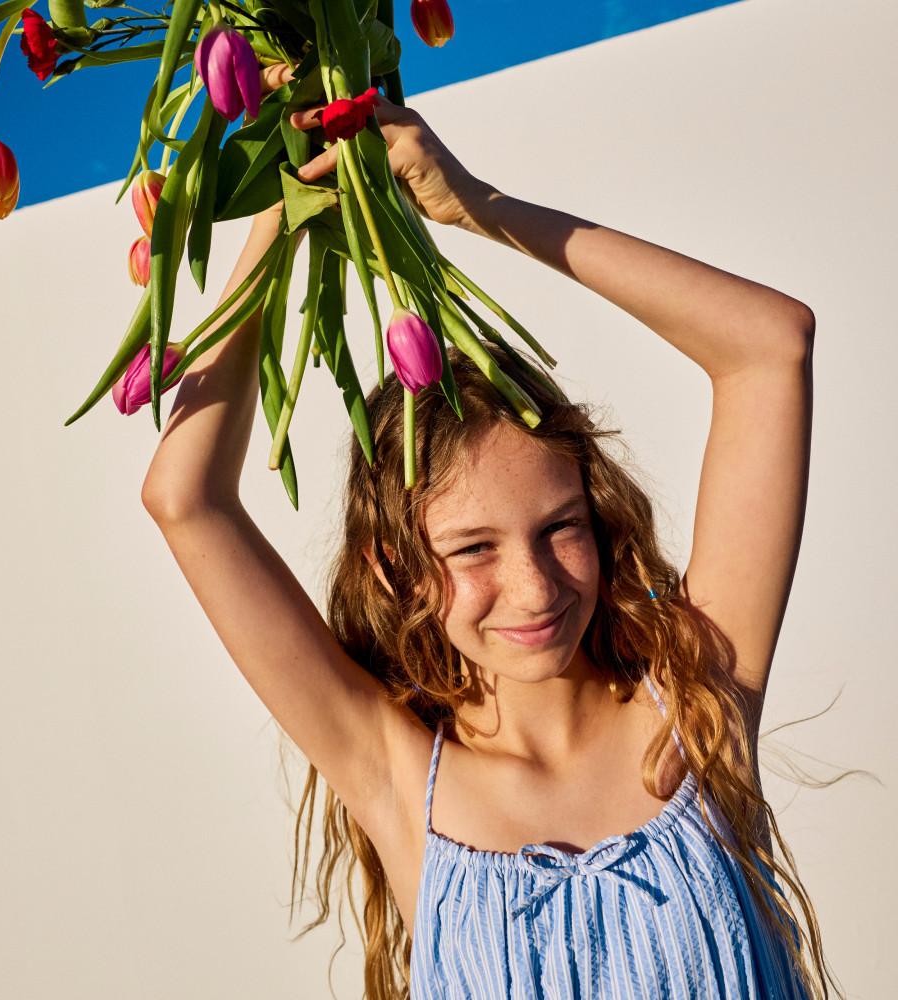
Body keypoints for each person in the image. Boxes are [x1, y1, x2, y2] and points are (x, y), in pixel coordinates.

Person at [141, 63, 836, 999]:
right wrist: (295, 194)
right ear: (394, 568)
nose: (539, 586)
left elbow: (769, 345)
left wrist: (477, 207)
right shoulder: (395, 776)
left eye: (561, 527)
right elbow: (185, 499)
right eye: (473, 549)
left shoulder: (697, 708)